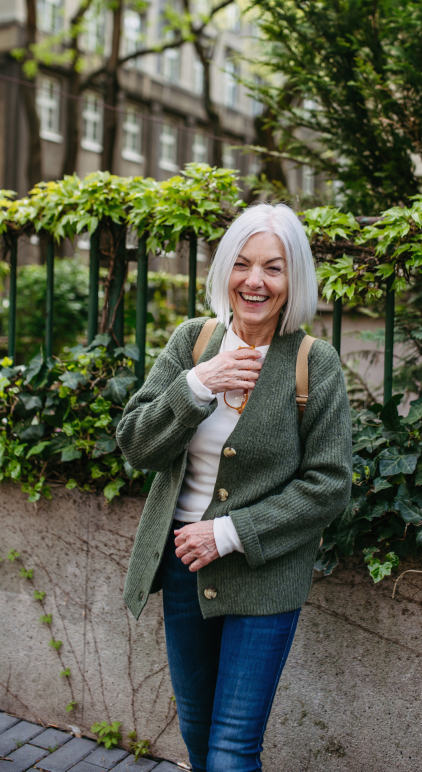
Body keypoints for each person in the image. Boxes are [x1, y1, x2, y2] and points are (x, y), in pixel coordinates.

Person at [117, 203, 352, 772]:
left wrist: (229, 532)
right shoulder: (193, 343)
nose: (255, 281)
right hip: (182, 570)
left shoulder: (313, 364)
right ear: (225, 270)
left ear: (293, 279)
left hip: (264, 577)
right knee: (197, 740)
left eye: (273, 268)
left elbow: (329, 485)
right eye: (243, 264)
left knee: (230, 753)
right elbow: (136, 445)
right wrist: (195, 385)